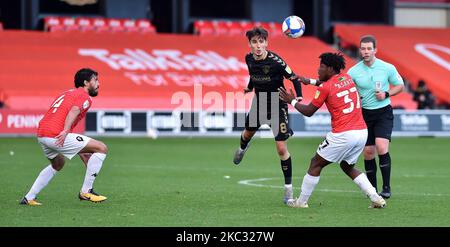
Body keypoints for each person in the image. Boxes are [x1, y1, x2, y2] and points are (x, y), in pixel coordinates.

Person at [279, 52, 386, 209]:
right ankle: (376, 197)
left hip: (343, 134)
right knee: (347, 166)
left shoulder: (325, 87)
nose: (318, 69)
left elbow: (309, 111)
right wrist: (308, 81)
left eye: (321, 66)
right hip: (362, 132)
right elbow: (329, 84)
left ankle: (301, 202)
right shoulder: (347, 78)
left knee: (316, 163)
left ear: (330, 68)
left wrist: (292, 101)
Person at [232, 27, 303, 204]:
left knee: (281, 148)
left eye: (261, 41)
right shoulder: (248, 58)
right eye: (254, 42)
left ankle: (288, 189)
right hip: (259, 103)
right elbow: (253, 74)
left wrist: (299, 95)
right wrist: (249, 87)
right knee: (247, 134)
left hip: (278, 104)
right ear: (249, 44)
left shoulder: (276, 62)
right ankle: (242, 149)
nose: (258, 46)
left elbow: (293, 77)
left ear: (266, 43)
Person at [20, 68, 108, 206]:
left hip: (42, 133)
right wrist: (66, 130)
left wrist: (80, 149)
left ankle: (29, 197)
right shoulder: (85, 96)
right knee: (101, 148)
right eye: (95, 80)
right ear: (86, 83)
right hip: (56, 134)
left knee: (58, 163)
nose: (99, 83)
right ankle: (86, 191)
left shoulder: (67, 93)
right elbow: (74, 110)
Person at [347, 35, 404, 199]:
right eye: (363, 49)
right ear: (359, 50)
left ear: (375, 50)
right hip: (364, 114)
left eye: (369, 49)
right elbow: (349, 91)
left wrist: (387, 93)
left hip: (383, 111)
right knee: (368, 152)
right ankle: (372, 189)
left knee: (381, 147)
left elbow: (400, 86)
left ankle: (386, 188)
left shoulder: (387, 68)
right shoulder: (354, 71)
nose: (365, 52)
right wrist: (356, 97)